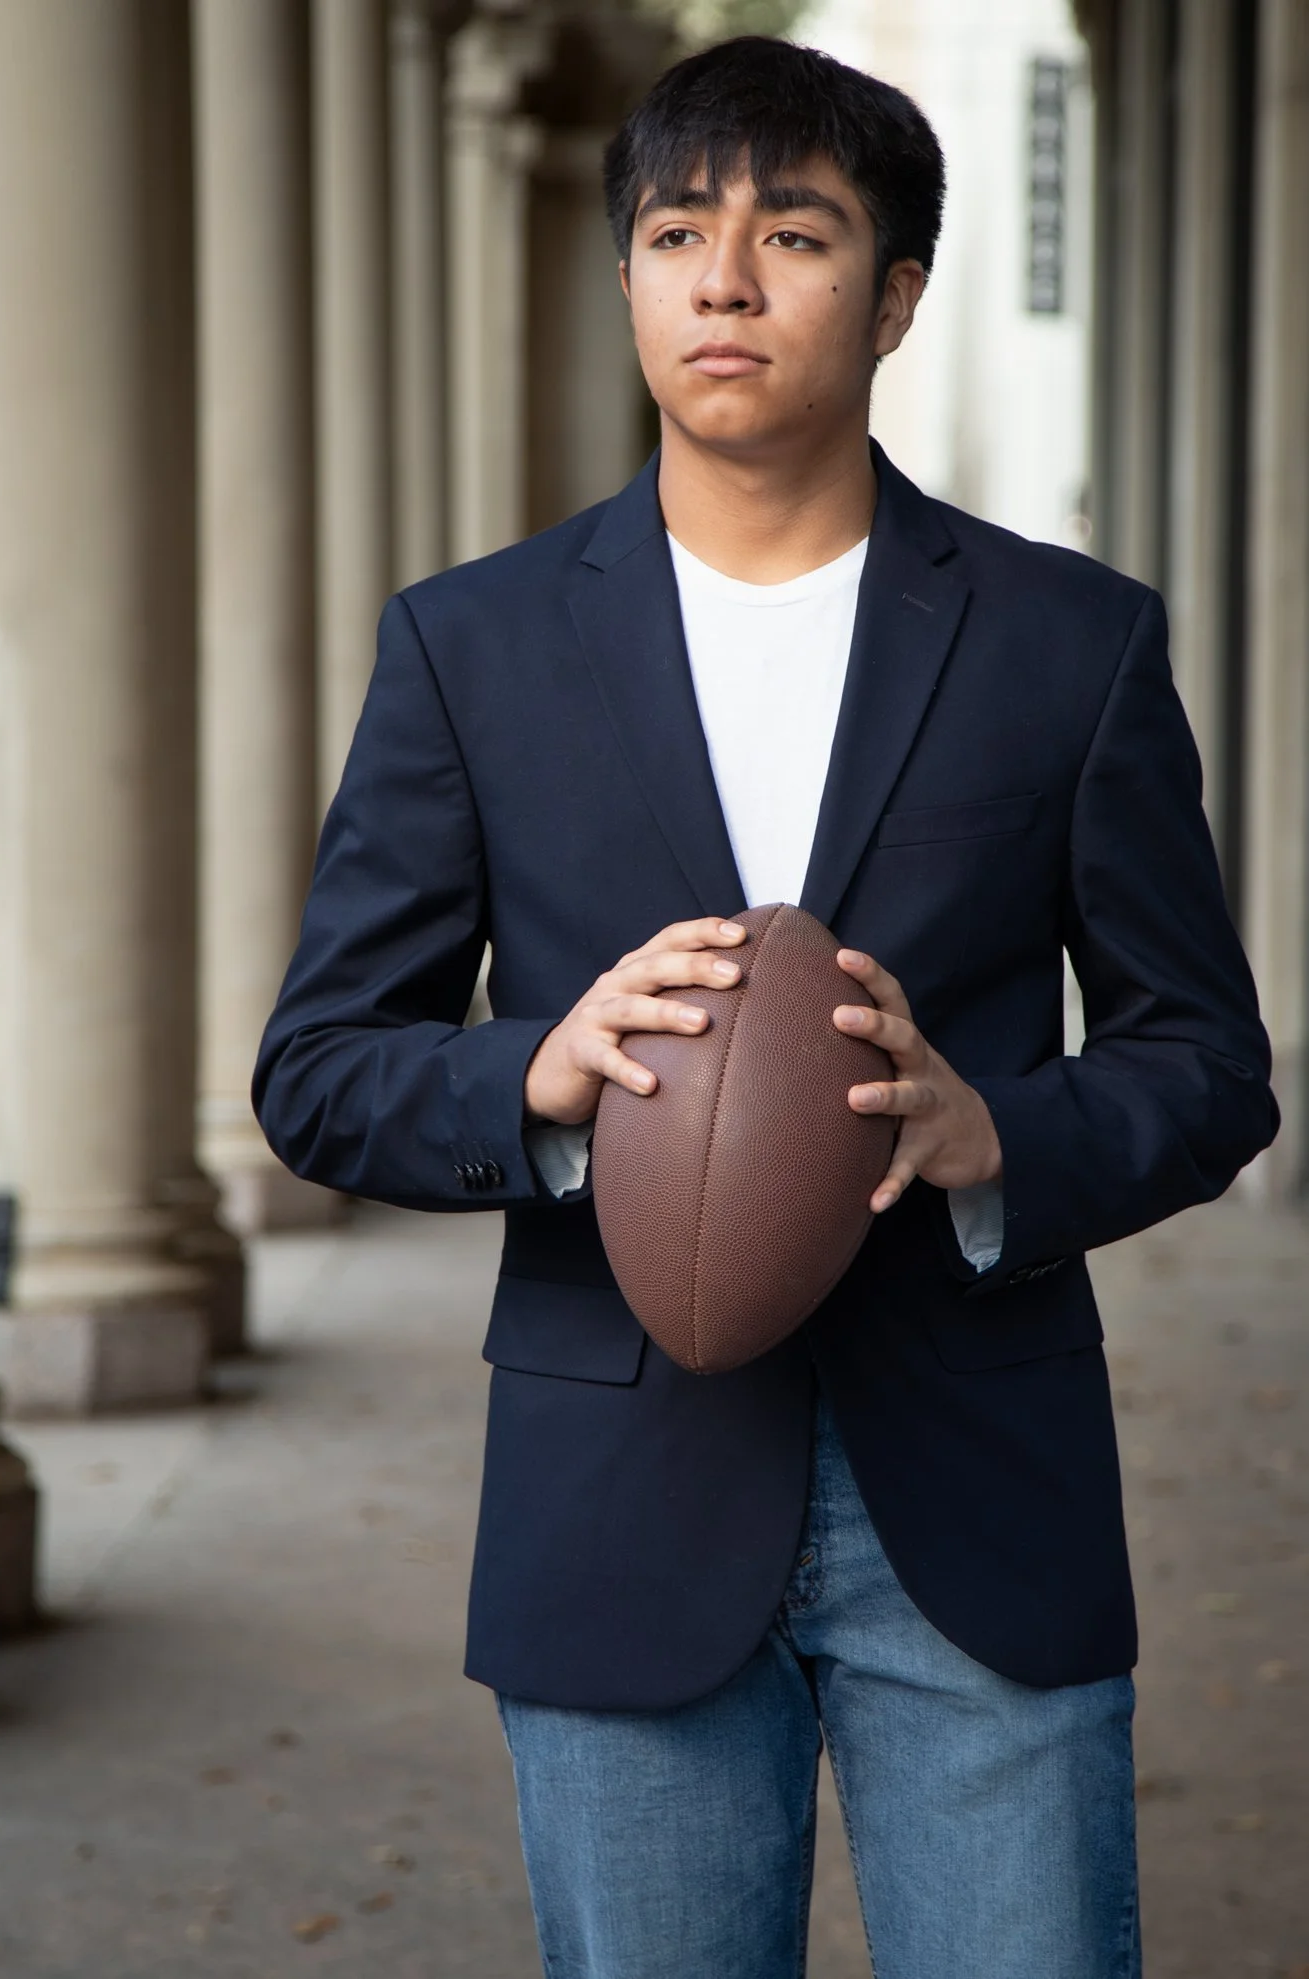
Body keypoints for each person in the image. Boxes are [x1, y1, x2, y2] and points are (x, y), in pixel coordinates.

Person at [254, 35, 1277, 1979]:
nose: (722, 279)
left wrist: (998, 1131)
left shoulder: (1066, 647)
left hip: (975, 1493)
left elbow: (1205, 1061)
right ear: (627, 281)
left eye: (789, 233)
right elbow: (315, 1069)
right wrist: (536, 1075)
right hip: (616, 1498)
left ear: (892, 294)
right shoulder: (467, 647)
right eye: (673, 231)